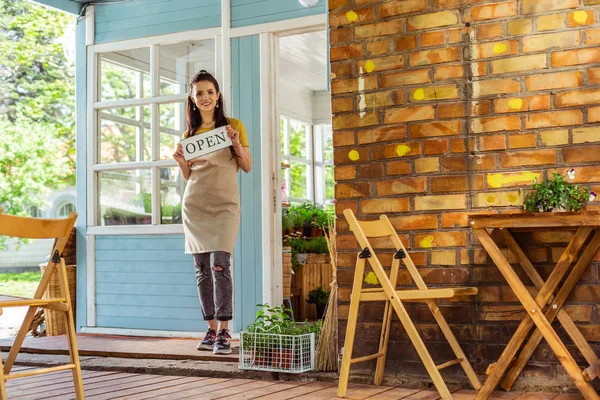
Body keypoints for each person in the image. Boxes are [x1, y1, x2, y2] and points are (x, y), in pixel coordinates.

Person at [173, 70, 252, 354]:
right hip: (195, 206)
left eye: (209, 92)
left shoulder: (233, 126)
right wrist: (182, 161)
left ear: (218, 96)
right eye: (199, 94)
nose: (205, 97)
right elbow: (189, 177)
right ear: (192, 100)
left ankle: (225, 331)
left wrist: (235, 143)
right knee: (202, 270)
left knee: (220, 264)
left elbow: (246, 166)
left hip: (225, 206)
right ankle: (210, 329)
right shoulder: (189, 136)